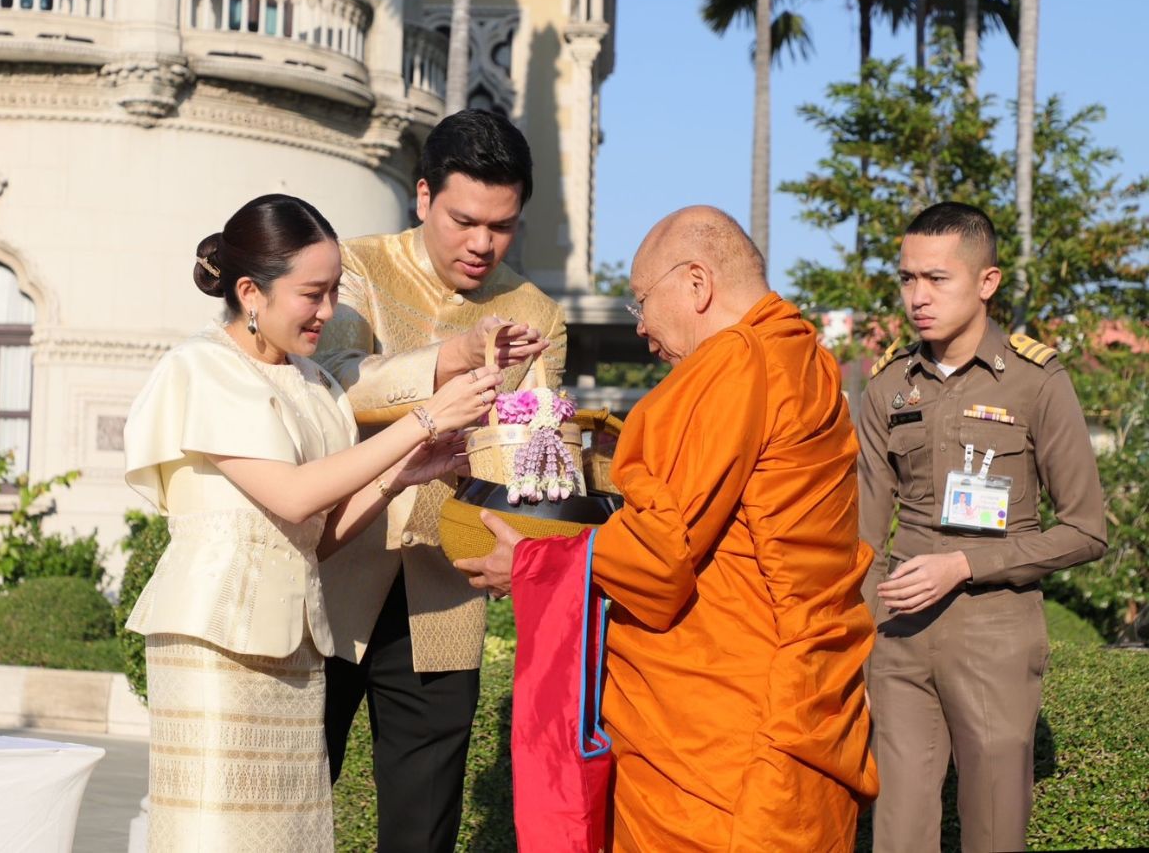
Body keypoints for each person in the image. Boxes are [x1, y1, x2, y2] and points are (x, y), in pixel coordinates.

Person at [458, 206, 879, 851]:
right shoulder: (805, 358)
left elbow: (659, 557)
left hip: (727, 729)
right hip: (805, 689)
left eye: (642, 302)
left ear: (697, 283)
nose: (644, 328)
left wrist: (531, 560)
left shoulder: (734, 362)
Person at [122, 194, 501, 851]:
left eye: (332, 293)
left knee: (290, 837)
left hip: (296, 645)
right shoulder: (202, 366)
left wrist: (403, 472)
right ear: (250, 291)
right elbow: (293, 496)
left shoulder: (312, 383)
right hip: (214, 642)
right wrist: (427, 418)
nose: (328, 312)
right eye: (313, 294)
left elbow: (315, 535)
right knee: (215, 836)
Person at [313, 109, 566, 851]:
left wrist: (529, 542)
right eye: (464, 220)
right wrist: (449, 361)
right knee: (291, 810)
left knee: (423, 832)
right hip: (331, 571)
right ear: (423, 196)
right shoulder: (351, 266)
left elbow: (536, 462)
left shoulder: (535, 313)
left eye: (504, 225)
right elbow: (334, 383)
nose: (483, 244)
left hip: (444, 594)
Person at [857, 202, 1107, 853]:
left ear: (987, 282)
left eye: (937, 279)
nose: (918, 296)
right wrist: (859, 638)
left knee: (995, 834)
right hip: (901, 641)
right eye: (908, 278)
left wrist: (965, 565)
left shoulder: (1036, 381)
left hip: (995, 638)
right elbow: (862, 532)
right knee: (899, 835)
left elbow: (1086, 529)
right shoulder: (887, 386)